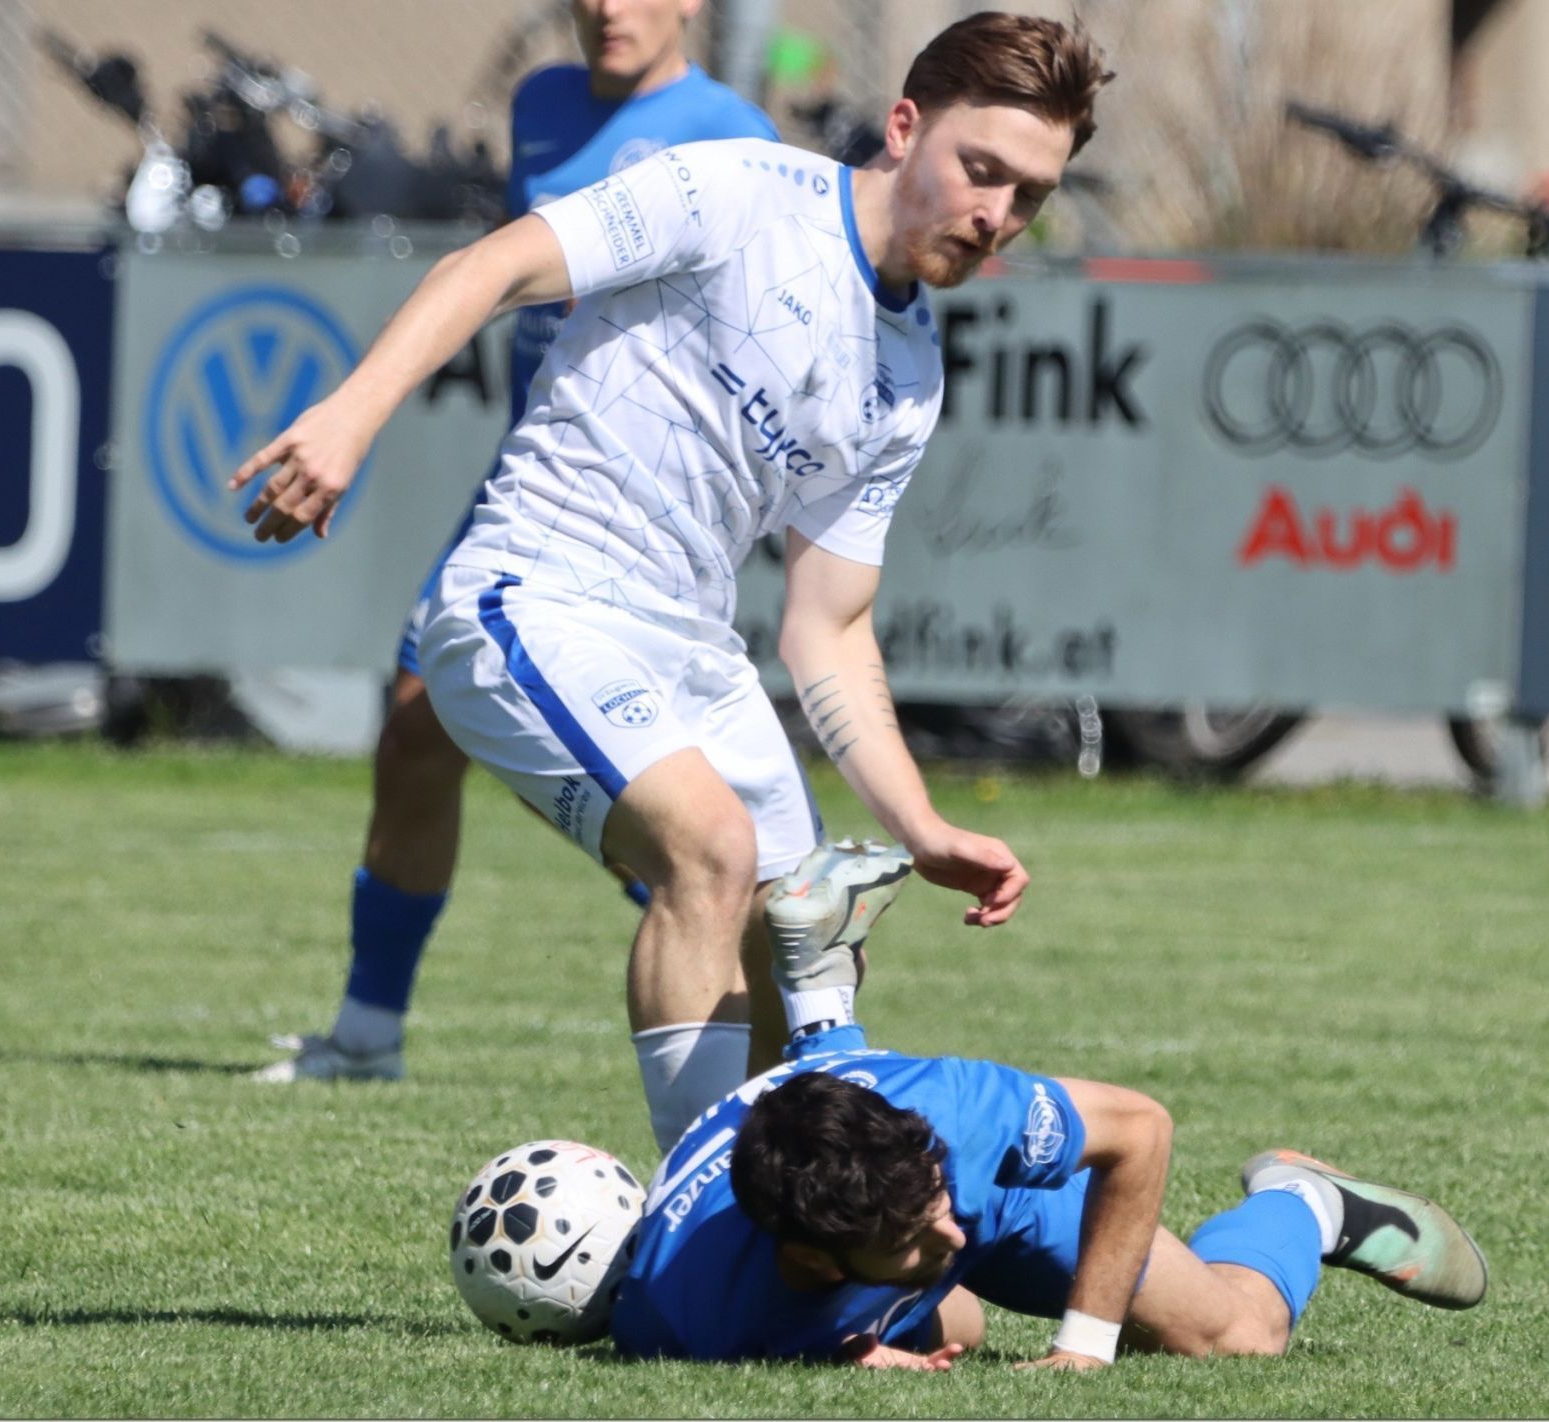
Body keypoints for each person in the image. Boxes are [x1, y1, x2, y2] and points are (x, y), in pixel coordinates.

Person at [229, 9, 1100, 1147]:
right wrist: (348, 419)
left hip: (688, 644)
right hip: (534, 593)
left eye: (1027, 196)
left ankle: (806, 1247)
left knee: (810, 936)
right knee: (710, 850)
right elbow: (493, 265)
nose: (996, 215)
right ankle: (697, 1234)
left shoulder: (909, 374)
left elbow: (828, 631)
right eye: (980, 170)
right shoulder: (740, 190)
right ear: (904, 127)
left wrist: (921, 824)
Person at [256, 0, 783, 1086]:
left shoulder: (733, 132)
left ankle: (773, 1023)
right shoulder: (541, 102)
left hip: (640, 516)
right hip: (531, 478)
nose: (607, 10)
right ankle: (364, 1036)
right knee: (413, 733)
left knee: (678, 830)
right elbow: (516, 272)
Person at [609, 917, 1489, 1366]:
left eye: (932, 1207)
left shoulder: (960, 1126)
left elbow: (1140, 1129)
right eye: (914, 1237)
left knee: (1236, 1338)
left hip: (995, 1188)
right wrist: (854, 1355)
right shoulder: (678, 1321)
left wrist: (1084, 1346)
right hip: (842, 1216)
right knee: (966, 1324)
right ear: (811, 1263)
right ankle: (820, 983)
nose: (946, 1234)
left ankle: (1304, 1200)